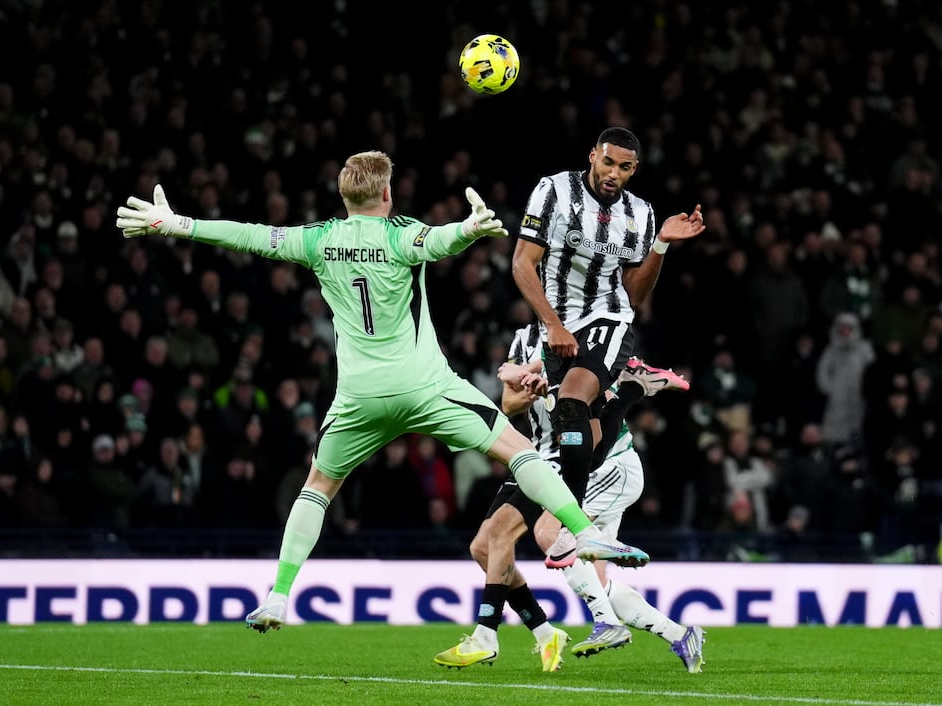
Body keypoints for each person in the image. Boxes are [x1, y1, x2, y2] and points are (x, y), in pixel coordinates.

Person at [116, 150, 634, 634]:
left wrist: (177, 224)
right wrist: (471, 229)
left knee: (317, 487)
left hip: (359, 398)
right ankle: (582, 532)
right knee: (519, 452)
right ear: (386, 196)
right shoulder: (398, 233)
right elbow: (438, 241)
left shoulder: (319, 239)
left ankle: (278, 594)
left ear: (345, 198)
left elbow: (249, 236)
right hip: (424, 387)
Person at [435, 323, 704, 672]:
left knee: (537, 534)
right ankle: (676, 635)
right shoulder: (523, 339)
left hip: (590, 463)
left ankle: (492, 634)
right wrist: (538, 387)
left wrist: (555, 386)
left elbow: (596, 403)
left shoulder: (585, 333)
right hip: (536, 457)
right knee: (484, 548)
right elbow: (509, 402)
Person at [511, 127, 706, 531]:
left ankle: (574, 525)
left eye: (625, 167)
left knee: (570, 401)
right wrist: (553, 324)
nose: (613, 173)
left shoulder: (641, 213)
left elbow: (634, 295)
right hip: (559, 320)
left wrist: (661, 244)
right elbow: (521, 263)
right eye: (608, 162)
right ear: (592, 156)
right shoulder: (553, 191)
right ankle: (631, 390)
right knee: (586, 434)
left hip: (609, 317)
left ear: (634, 170)